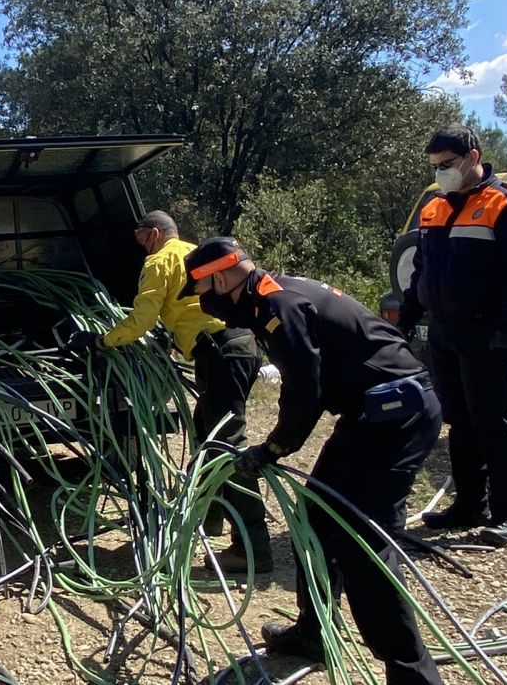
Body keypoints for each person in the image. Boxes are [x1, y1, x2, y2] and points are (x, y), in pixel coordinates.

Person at [182, 237, 444, 684]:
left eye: (204, 292)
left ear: (221, 278)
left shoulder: (278, 307)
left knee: (362, 542)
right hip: (370, 413)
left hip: (395, 416)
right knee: (315, 518)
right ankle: (313, 633)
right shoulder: (272, 296)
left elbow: (305, 390)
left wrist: (275, 447)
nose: (206, 304)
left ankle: (411, 674)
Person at [66, 210, 272, 573]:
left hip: (219, 352)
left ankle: (251, 549)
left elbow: (141, 319)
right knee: (206, 432)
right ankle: (209, 519)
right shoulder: (196, 251)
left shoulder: (159, 262)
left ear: (156, 233)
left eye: (140, 235)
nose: (138, 243)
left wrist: (100, 341)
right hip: (243, 345)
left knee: (226, 446)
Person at [399, 124, 507, 547]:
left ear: (473, 156)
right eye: (435, 166)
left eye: (447, 164)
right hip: (446, 330)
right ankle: (469, 504)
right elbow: (422, 273)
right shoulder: (434, 206)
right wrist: (406, 321)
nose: (441, 172)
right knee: (459, 423)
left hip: (490, 332)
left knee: (493, 423)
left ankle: (506, 513)